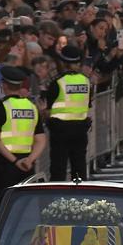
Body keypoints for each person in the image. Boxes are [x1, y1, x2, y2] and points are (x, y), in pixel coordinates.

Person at [0, 65, 46, 202]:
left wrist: (15, 161)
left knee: (4, 203)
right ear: (20, 86)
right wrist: (30, 159)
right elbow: (41, 139)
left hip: (7, 164)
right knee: (25, 204)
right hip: (27, 164)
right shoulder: (32, 107)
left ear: (4, 85)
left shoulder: (1, 107)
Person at [45, 45, 92, 181]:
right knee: (79, 167)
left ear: (63, 62)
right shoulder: (85, 81)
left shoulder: (57, 82)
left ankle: (57, 197)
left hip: (60, 130)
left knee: (58, 168)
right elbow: (87, 104)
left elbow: (48, 109)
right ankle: (80, 195)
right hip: (80, 129)